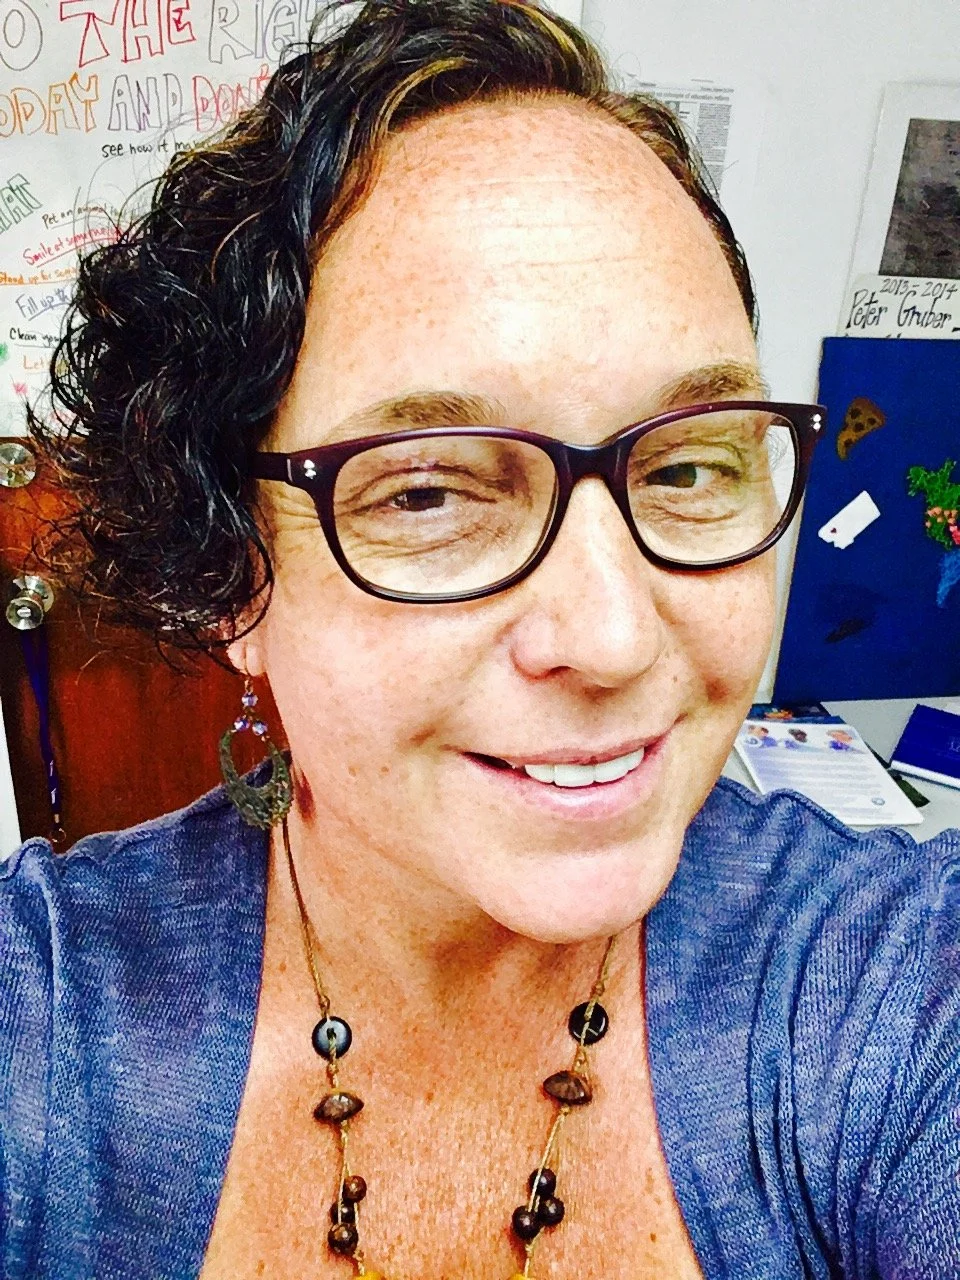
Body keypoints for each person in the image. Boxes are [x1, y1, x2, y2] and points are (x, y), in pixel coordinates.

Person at [3, 2, 959, 1277]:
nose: (615, 636)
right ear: (236, 574)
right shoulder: (51, 1023)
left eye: (687, 465)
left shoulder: (886, 992)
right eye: (431, 490)